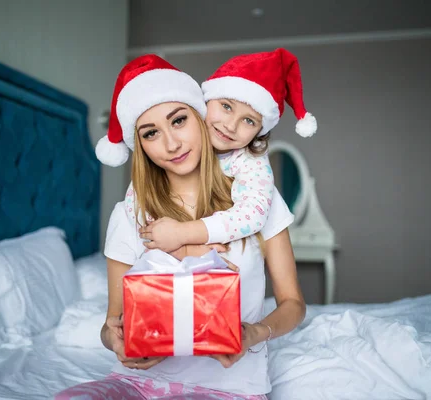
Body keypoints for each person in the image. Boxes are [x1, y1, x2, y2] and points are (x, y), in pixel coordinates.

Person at [56, 55, 305, 399]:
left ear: (201, 117)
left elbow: (293, 304)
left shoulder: (258, 202)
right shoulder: (129, 213)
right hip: (138, 383)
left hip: (229, 387)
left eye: (179, 121)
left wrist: (254, 333)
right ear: (139, 144)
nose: (171, 144)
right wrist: (114, 339)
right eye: (151, 133)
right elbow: (113, 322)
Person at [99, 49, 317, 255]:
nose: (230, 126)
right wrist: (186, 251)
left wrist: (182, 236)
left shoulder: (251, 160)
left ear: (259, 131)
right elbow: (146, 226)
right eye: (226, 106)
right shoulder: (142, 192)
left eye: (249, 120)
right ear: (204, 102)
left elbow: (252, 215)